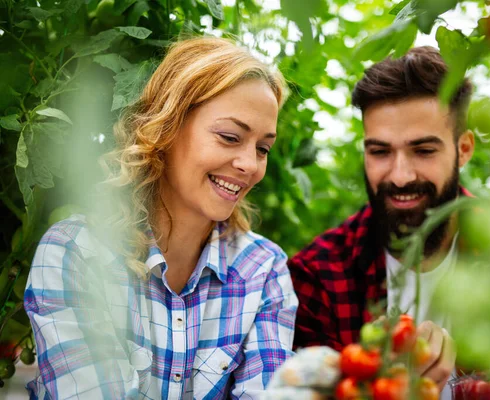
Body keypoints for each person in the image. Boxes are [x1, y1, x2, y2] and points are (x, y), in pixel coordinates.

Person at [284, 47, 490, 396]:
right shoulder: (319, 274)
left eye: (424, 150)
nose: (400, 176)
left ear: (463, 149)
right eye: (380, 151)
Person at [23, 37, 298, 400]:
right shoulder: (76, 253)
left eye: (263, 148)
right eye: (230, 137)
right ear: (166, 127)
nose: (250, 164)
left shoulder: (263, 269)